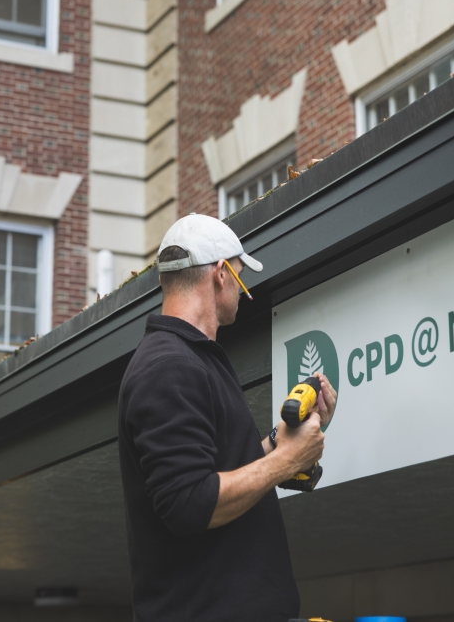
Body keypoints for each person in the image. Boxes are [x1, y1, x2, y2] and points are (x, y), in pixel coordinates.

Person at [118, 214, 337, 622]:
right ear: (220, 274)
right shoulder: (168, 367)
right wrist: (286, 460)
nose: (243, 289)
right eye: (240, 276)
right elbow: (189, 502)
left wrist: (281, 440)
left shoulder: (192, 361)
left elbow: (218, 473)